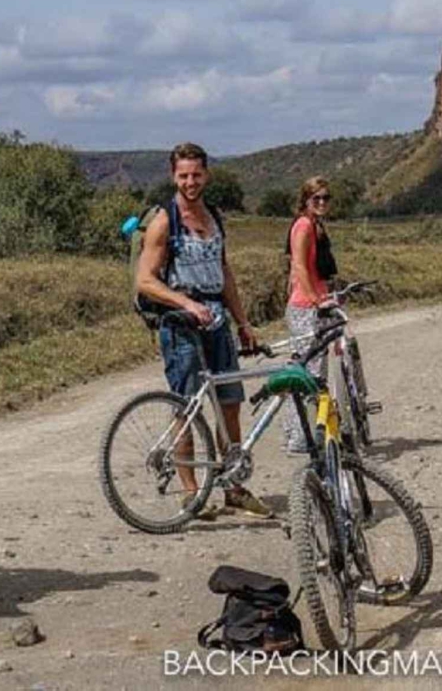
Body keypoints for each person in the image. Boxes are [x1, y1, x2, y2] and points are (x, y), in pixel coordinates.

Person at [134, 142, 272, 519]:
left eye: (196, 174)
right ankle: (191, 493)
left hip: (217, 320)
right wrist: (186, 303)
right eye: (183, 176)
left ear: (207, 174)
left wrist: (242, 322)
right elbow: (145, 280)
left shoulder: (213, 216)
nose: (190, 182)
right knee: (187, 407)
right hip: (181, 325)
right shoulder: (165, 220)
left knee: (230, 405)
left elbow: (224, 273)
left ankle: (234, 487)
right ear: (173, 176)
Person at [281, 176, 338, 454]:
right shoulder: (303, 226)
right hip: (305, 308)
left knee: (306, 369)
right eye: (316, 198)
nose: (322, 203)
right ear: (305, 200)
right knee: (308, 374)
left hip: (314, 303)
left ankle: (299, 431)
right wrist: (316, 300)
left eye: (326, 198)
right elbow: (300, 268)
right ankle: (299, 437)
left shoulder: (316, 225)